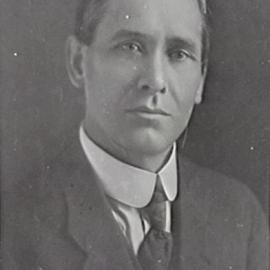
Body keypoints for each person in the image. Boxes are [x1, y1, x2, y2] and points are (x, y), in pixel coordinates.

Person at [4, 0, 269, 269]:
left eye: (178, 54)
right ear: (78, 63)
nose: (155, 80)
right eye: (130, 47)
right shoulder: (14, 227)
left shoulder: (240, 216)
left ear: (200, 79)